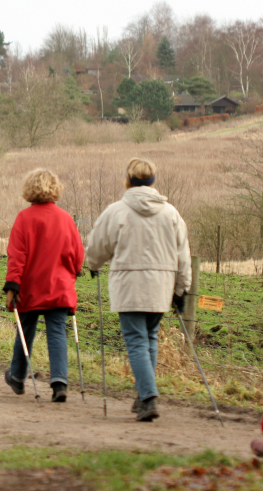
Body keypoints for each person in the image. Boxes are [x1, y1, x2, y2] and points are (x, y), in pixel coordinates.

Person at [86, 158, 191, 422]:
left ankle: (148, 397)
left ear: (128, 180)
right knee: (150, 337)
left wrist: (93, 264)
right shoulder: (171, 213)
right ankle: (144, 394)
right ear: (153, 181)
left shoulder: (117, 211)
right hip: (161, 288)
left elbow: (99, 244)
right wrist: (181, 290)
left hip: (129, 288)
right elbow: (183, 255)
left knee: (135, 341)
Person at [2, 169, 84, 403]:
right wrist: (72, 273)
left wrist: (12, 286)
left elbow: (17, 255)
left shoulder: (24, 218)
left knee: (25, 330)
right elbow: (77, 254)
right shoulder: (66, 218)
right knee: (57, 332)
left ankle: (17, 376)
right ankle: (59, 382)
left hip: (30, 287)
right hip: (59, 286)